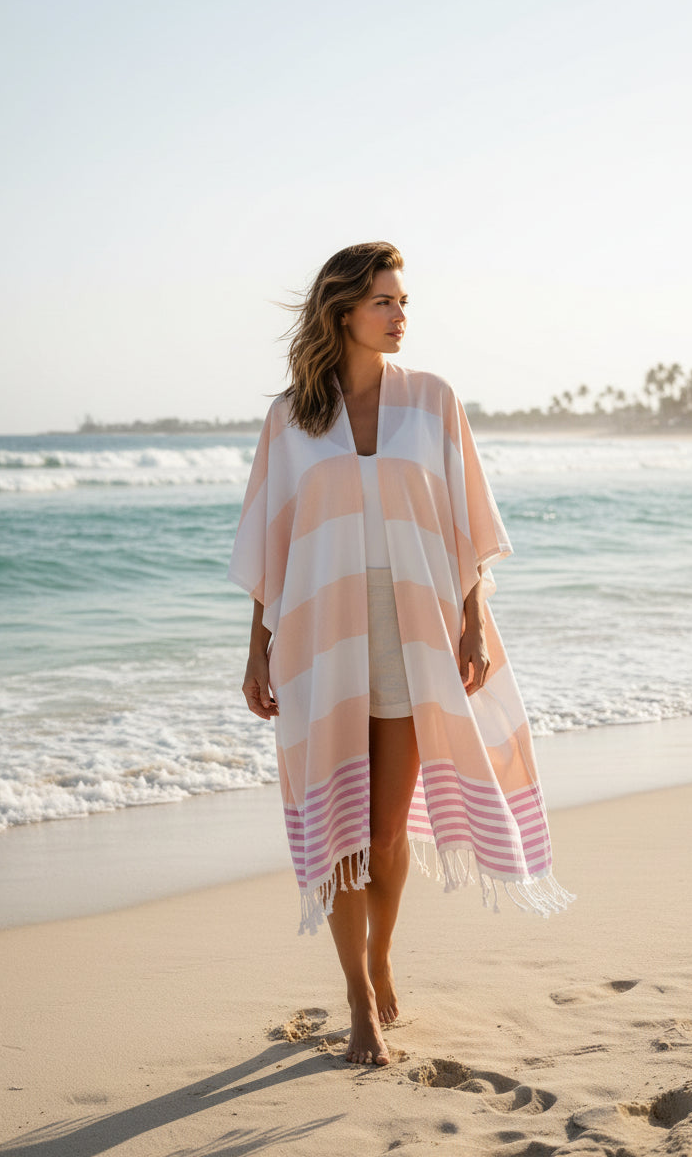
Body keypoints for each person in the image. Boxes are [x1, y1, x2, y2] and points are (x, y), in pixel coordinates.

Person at [228, 242, 573, 1067]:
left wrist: (475, 622)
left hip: (413, 638)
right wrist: (256, 648)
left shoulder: (433, 401)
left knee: (384, 833)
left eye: (403, 301)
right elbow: (271, 543)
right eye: (384, 301)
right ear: (343, 310)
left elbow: (467, 527)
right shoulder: (292, 418)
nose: (399, 314)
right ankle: (358, 1000)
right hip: (320, 642)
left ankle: (380, 954)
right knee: (343, 834)